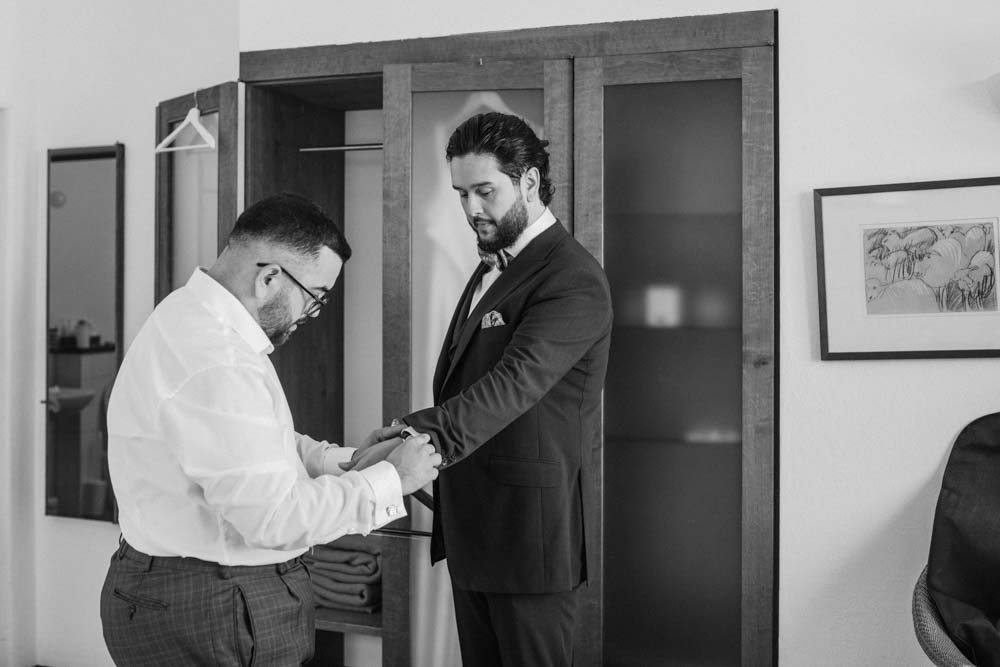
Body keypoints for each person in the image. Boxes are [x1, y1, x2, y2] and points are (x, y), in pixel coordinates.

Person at [99, 193, 441, 666]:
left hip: (187, 592)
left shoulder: (190, 317)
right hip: (213, 605)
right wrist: (392, 480)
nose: (312, 315)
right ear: (269, 278)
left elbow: (250, 443)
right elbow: (274, 519)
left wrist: (344, 462)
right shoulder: (217, 361)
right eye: (315, 297)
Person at [357, 112, 613, 666]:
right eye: (461, 193)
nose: (471, 208)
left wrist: (412, 434)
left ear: (529, 182)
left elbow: (513, 384)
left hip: (531, 539)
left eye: (484, 191)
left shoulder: (572, 279)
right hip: (476, 531)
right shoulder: (492, 265)